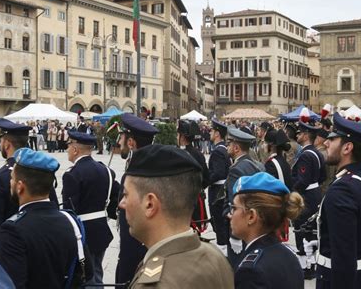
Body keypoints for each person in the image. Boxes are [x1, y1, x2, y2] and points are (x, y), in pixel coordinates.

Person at [119, 144, 234, 288]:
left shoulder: (156, 284)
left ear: (150, 204)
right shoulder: (216, 258)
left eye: (125, 194)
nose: (121, 204)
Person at [315, 112, 361, 289]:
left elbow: (344, 256)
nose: (326, 143)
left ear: (347, 148)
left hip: (346, 280)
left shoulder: (342, 190)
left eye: (332, 139)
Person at [0, 148, 80, 289]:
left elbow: (11, 284)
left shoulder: (12, 230)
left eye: (12, 178)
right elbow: (84, 274)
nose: (10, 182)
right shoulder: (71, 221)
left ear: (20, 187)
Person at [0, 118, 58, 257]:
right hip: (43, 250)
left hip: (11, 253)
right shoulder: (40, 170)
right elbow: (53, 208)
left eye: (1, 141)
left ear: (7, 144)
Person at [62, 131, 120, 286]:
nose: (67, 150)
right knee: (96, 272)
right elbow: (116, 199)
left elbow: (69, 210)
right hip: (101, 229)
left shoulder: (72, 174)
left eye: (68, 146)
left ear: (75, 150)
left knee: (84, 276)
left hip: (82, 233)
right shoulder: (106, 171)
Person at [230, 172, 304, 289]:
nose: (230, 215)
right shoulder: (288, 254)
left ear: (251, 216)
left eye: (234, 208)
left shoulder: (250, 271)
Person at [115, 113, 159, 286]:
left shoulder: (135, 176)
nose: (119, 143)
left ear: (131, 142)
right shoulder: (150, 168)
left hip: (136, 257)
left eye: (122, 138)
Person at [223, 126, 264, 268]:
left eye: (229, 143)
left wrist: (234, 236)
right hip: (256, 226)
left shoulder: (236, 169)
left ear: (236, 148)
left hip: (241, 230)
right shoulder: (258, 165)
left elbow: (234, 204)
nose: (226, 146)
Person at [291, 116, 326, 278]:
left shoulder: (306, 155)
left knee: (302, 229)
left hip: (306, 196)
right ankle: (311, 263)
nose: (297, 135)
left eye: (299, 133)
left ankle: (307, 266)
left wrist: (292, 191)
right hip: (315, 193)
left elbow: (302, 180)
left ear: (305, 136)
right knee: (311, 230)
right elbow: (322, 177)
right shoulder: (317, 153)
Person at [177, 120, 210, 233]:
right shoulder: (198, 154)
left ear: (182, 137)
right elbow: (207, 178)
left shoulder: (178, 154)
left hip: (182, 202)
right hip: (197, 199)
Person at [208, 118, 232, 255]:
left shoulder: (218, 151)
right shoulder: (223, 149)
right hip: (222, 190)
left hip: (217, 192)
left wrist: (205, 180)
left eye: (212, 130)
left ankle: (223, 254)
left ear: (217, 134)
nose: (210, 132)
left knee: (219, 225)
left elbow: (217, 173)